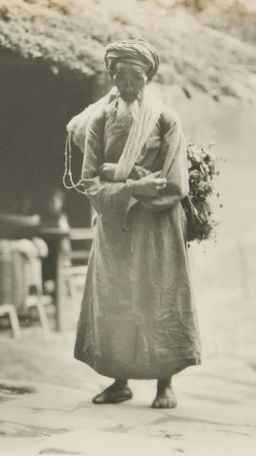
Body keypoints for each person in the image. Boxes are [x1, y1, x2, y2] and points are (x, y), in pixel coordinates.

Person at [71, 39, 201, 409]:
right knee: (117, 299)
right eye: (122, 77)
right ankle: (119, 380)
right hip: (117, 225)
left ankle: (165, 385)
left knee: (159, 297)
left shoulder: (166, 119)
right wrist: (133, 185)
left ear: (148, 78)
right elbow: (91, 181)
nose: (129, 86)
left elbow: (175, 182)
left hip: (158, 225)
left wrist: (127, 178)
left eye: (137, 78)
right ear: (112, 76)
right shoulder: (100, 119)